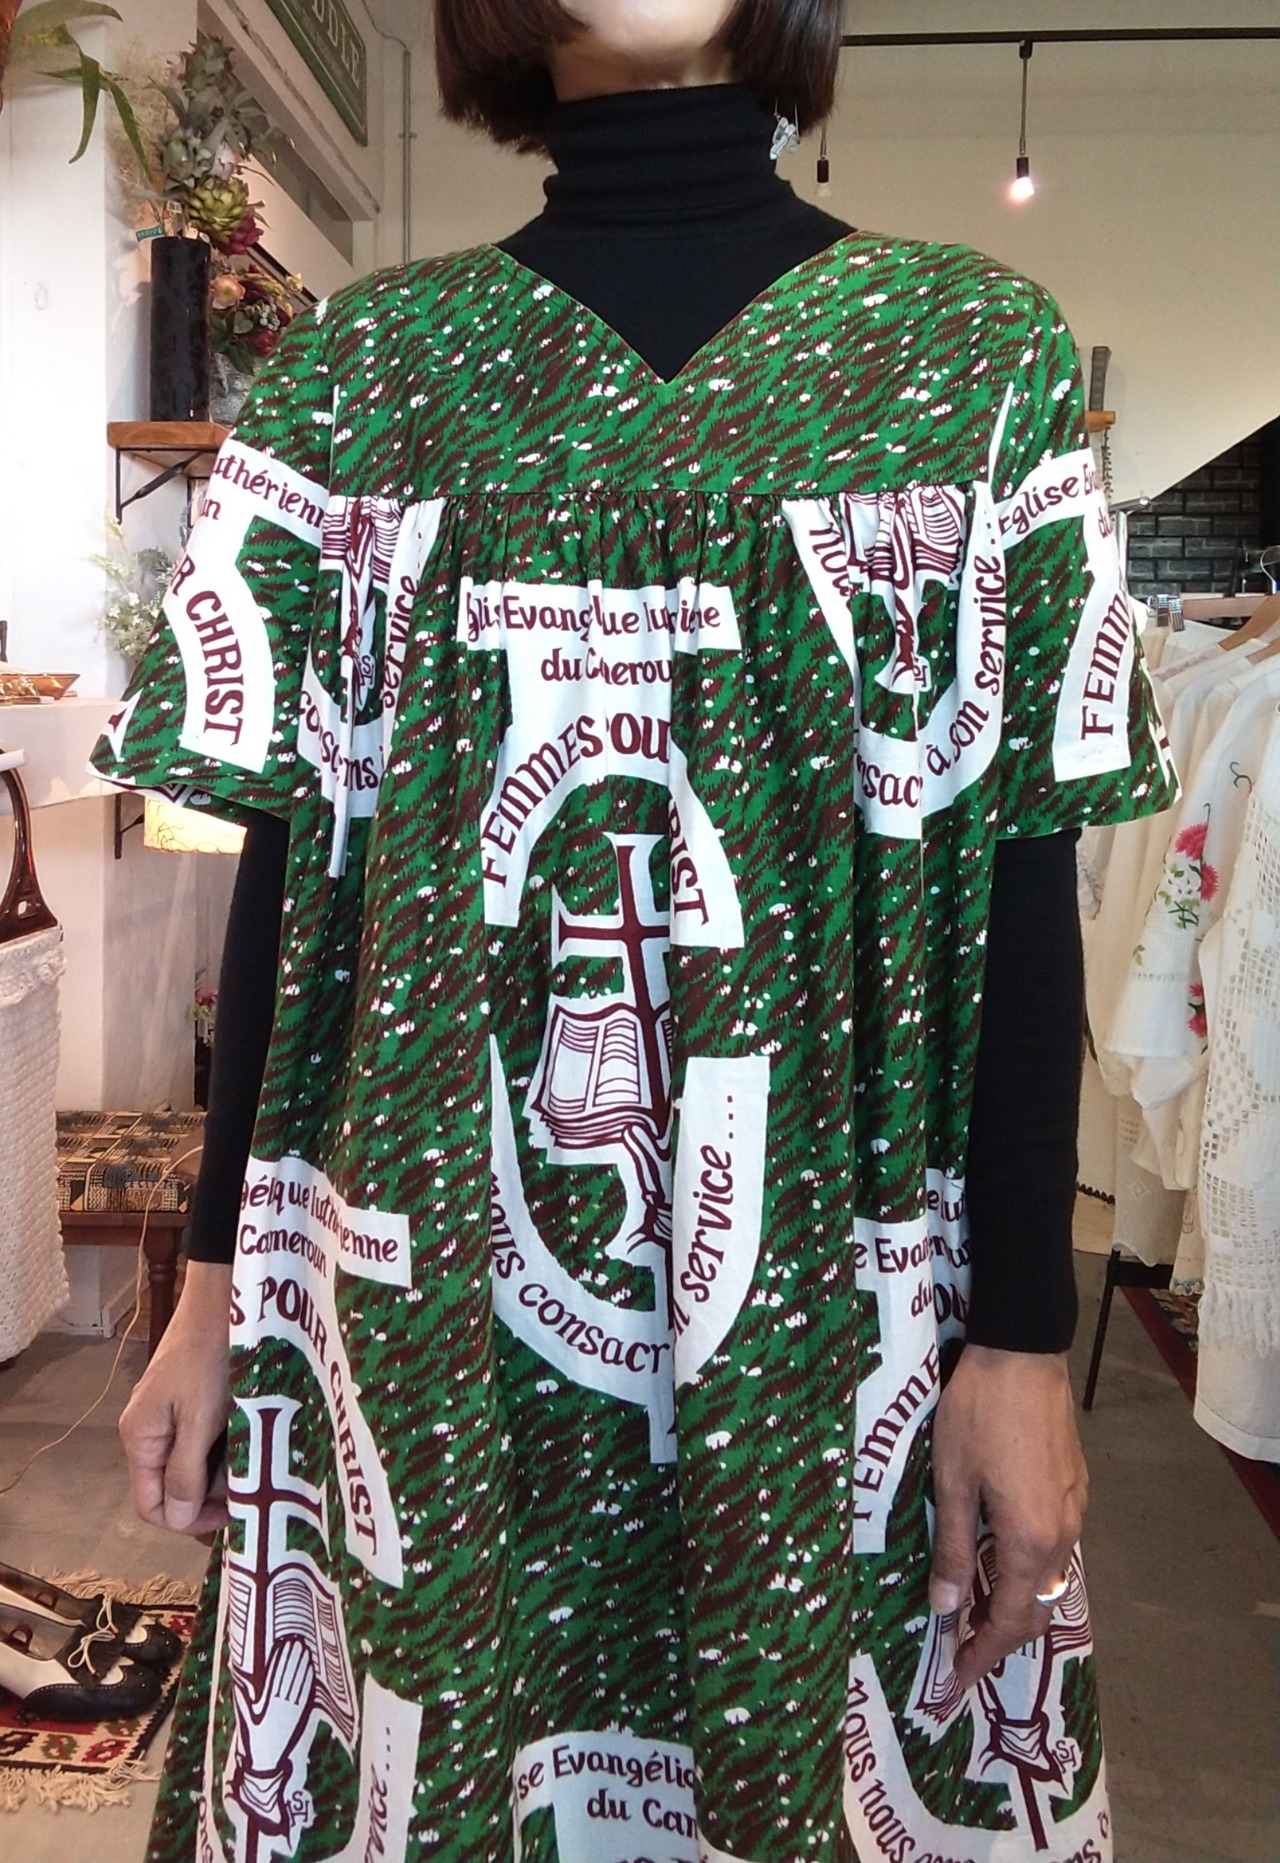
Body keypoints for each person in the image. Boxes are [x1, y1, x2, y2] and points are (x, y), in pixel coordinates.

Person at [93, 4, 1177, 1859]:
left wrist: (1016, 1342)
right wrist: (209, 1295)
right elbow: (291, 890)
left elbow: (1018, 892)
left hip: (835, 1319)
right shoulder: (368, 376)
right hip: (429, 1307)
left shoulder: (965, 363)